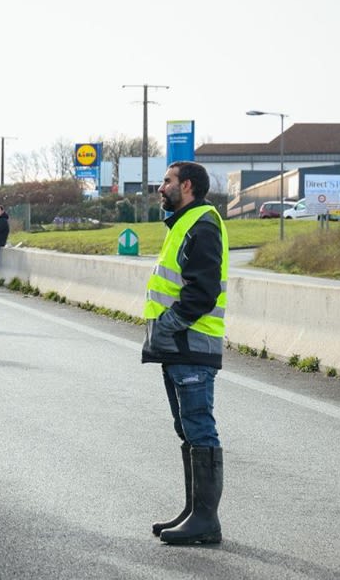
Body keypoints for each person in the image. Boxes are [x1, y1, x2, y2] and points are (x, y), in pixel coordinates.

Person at [144, 161, 228, 546]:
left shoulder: (202, 224)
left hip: (191, 344)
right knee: (187, 429)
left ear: (187, 186)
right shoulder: (183, 222)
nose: (161, 187)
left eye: (167, 181)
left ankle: (206, 520)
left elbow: (202, 292)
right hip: (178, 346)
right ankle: (194, 512)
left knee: (199, 427)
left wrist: (167, 325)